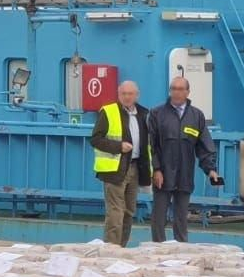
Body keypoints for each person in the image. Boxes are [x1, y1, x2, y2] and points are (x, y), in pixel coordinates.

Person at [148, 76, 219, 243]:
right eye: (173, 89)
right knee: (159, 216)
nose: (176, 92)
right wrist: (157, 169)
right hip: (163, 174)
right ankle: (158, 248)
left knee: (181, 216)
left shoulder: (196, 116)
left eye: (180, 89)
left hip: (185, 174)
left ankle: (181, 249)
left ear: (187, 92)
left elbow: (204, 145)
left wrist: (211, 169)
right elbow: (152, 145)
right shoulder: (157, 114)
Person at [90, 80, 152, 247]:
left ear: (137, 95)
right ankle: (111, 247)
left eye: (130, 94)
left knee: (129, 211)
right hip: (114, 169)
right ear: (119, 95)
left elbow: (148, 144)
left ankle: (121, 247)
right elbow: (95, 139)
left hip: (135, 168)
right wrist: (119, 147)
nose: (127, 97)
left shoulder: (144, 114)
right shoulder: (109, 112)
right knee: (115, 212)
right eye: (123, 93)